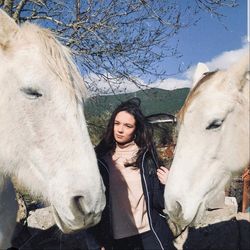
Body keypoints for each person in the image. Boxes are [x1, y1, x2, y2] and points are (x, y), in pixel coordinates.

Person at [88, 97, 175, 250]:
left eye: (128, 126)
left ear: (136, 129)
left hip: (150, 234)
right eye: (117, 123)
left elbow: (159, 202)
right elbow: (92, 205)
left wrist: (168, 184)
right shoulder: (99, 159)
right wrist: (98, 241)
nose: (120, 129)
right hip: (116, 240)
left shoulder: (147, 156)